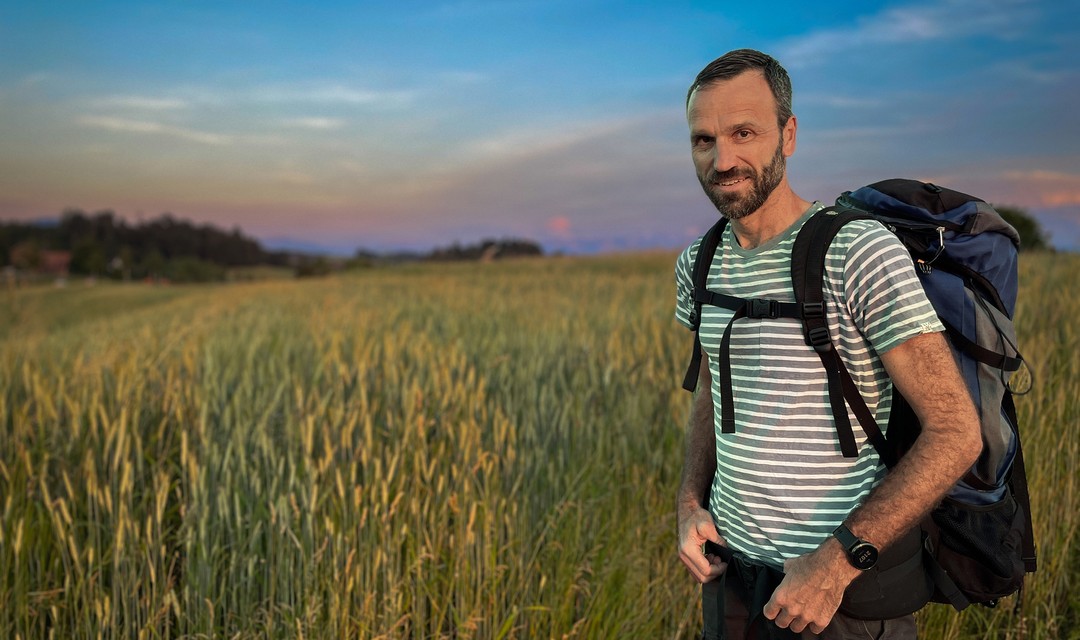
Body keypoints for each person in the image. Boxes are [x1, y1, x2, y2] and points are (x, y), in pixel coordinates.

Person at [673, 49, 983, 639]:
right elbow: (713, 389)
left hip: (837, 597)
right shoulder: (699, 263)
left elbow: (956, 430)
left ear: (788, 135)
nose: (723, 159)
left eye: (745, 133)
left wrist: (835, 564)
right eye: (703, 140)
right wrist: (690, 502)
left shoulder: (856, 252)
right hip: (733, 579)